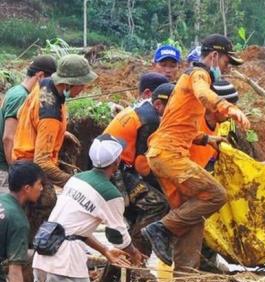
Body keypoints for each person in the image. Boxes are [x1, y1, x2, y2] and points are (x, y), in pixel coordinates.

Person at [142, 34, 250, 273]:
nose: (227, 68)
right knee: (216, 194)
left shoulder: (188, 82)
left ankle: (185, 279)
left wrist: (206, 138)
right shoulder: (198, 74)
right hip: (169, 155)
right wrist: (228, 107)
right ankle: (161, 228)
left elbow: (179, 125)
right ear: (214, 56)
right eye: (226, 62)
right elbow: (204, 93)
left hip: (163, 153)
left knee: (192, 217)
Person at [32, 134, 144, 282]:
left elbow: (73, 228)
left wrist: (104, 250)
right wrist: (134, 252)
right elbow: (118, 237)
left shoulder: (77, 179)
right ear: (117, 162)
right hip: (66, 264)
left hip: (43, 258)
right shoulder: (110, 193)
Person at [11, 54, 97, 240]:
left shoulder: (45, 85)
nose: (83, 89)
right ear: (68, 84)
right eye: (81, 85)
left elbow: (22, 113)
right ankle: (34, 251)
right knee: (49, 206)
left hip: (23, 157)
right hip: (31, 168)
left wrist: (60, 133)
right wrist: (73, 183)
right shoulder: (49, 114)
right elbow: (41, 161)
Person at [104, 81, 174, 255]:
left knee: (139, 212)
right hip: (115, 170)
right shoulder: (150, 120)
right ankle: (138, 257)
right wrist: (164, 187)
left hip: (111, 163)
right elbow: (142, 165)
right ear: (158, 104)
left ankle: (123, 264)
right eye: (172, 109)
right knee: (157, 204)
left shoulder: (144, 108)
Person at [0, 161, 44, 282]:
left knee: (31, 256)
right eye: (39, 184)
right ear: (27, 188)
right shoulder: (18, 221)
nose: (41, 189)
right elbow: (15, 271)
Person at [0, 56, 57, 192]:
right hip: (6, 171)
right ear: (40, 76)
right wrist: (17, 173)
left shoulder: (16, 91)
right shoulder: (21, 97)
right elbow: (9, 138)